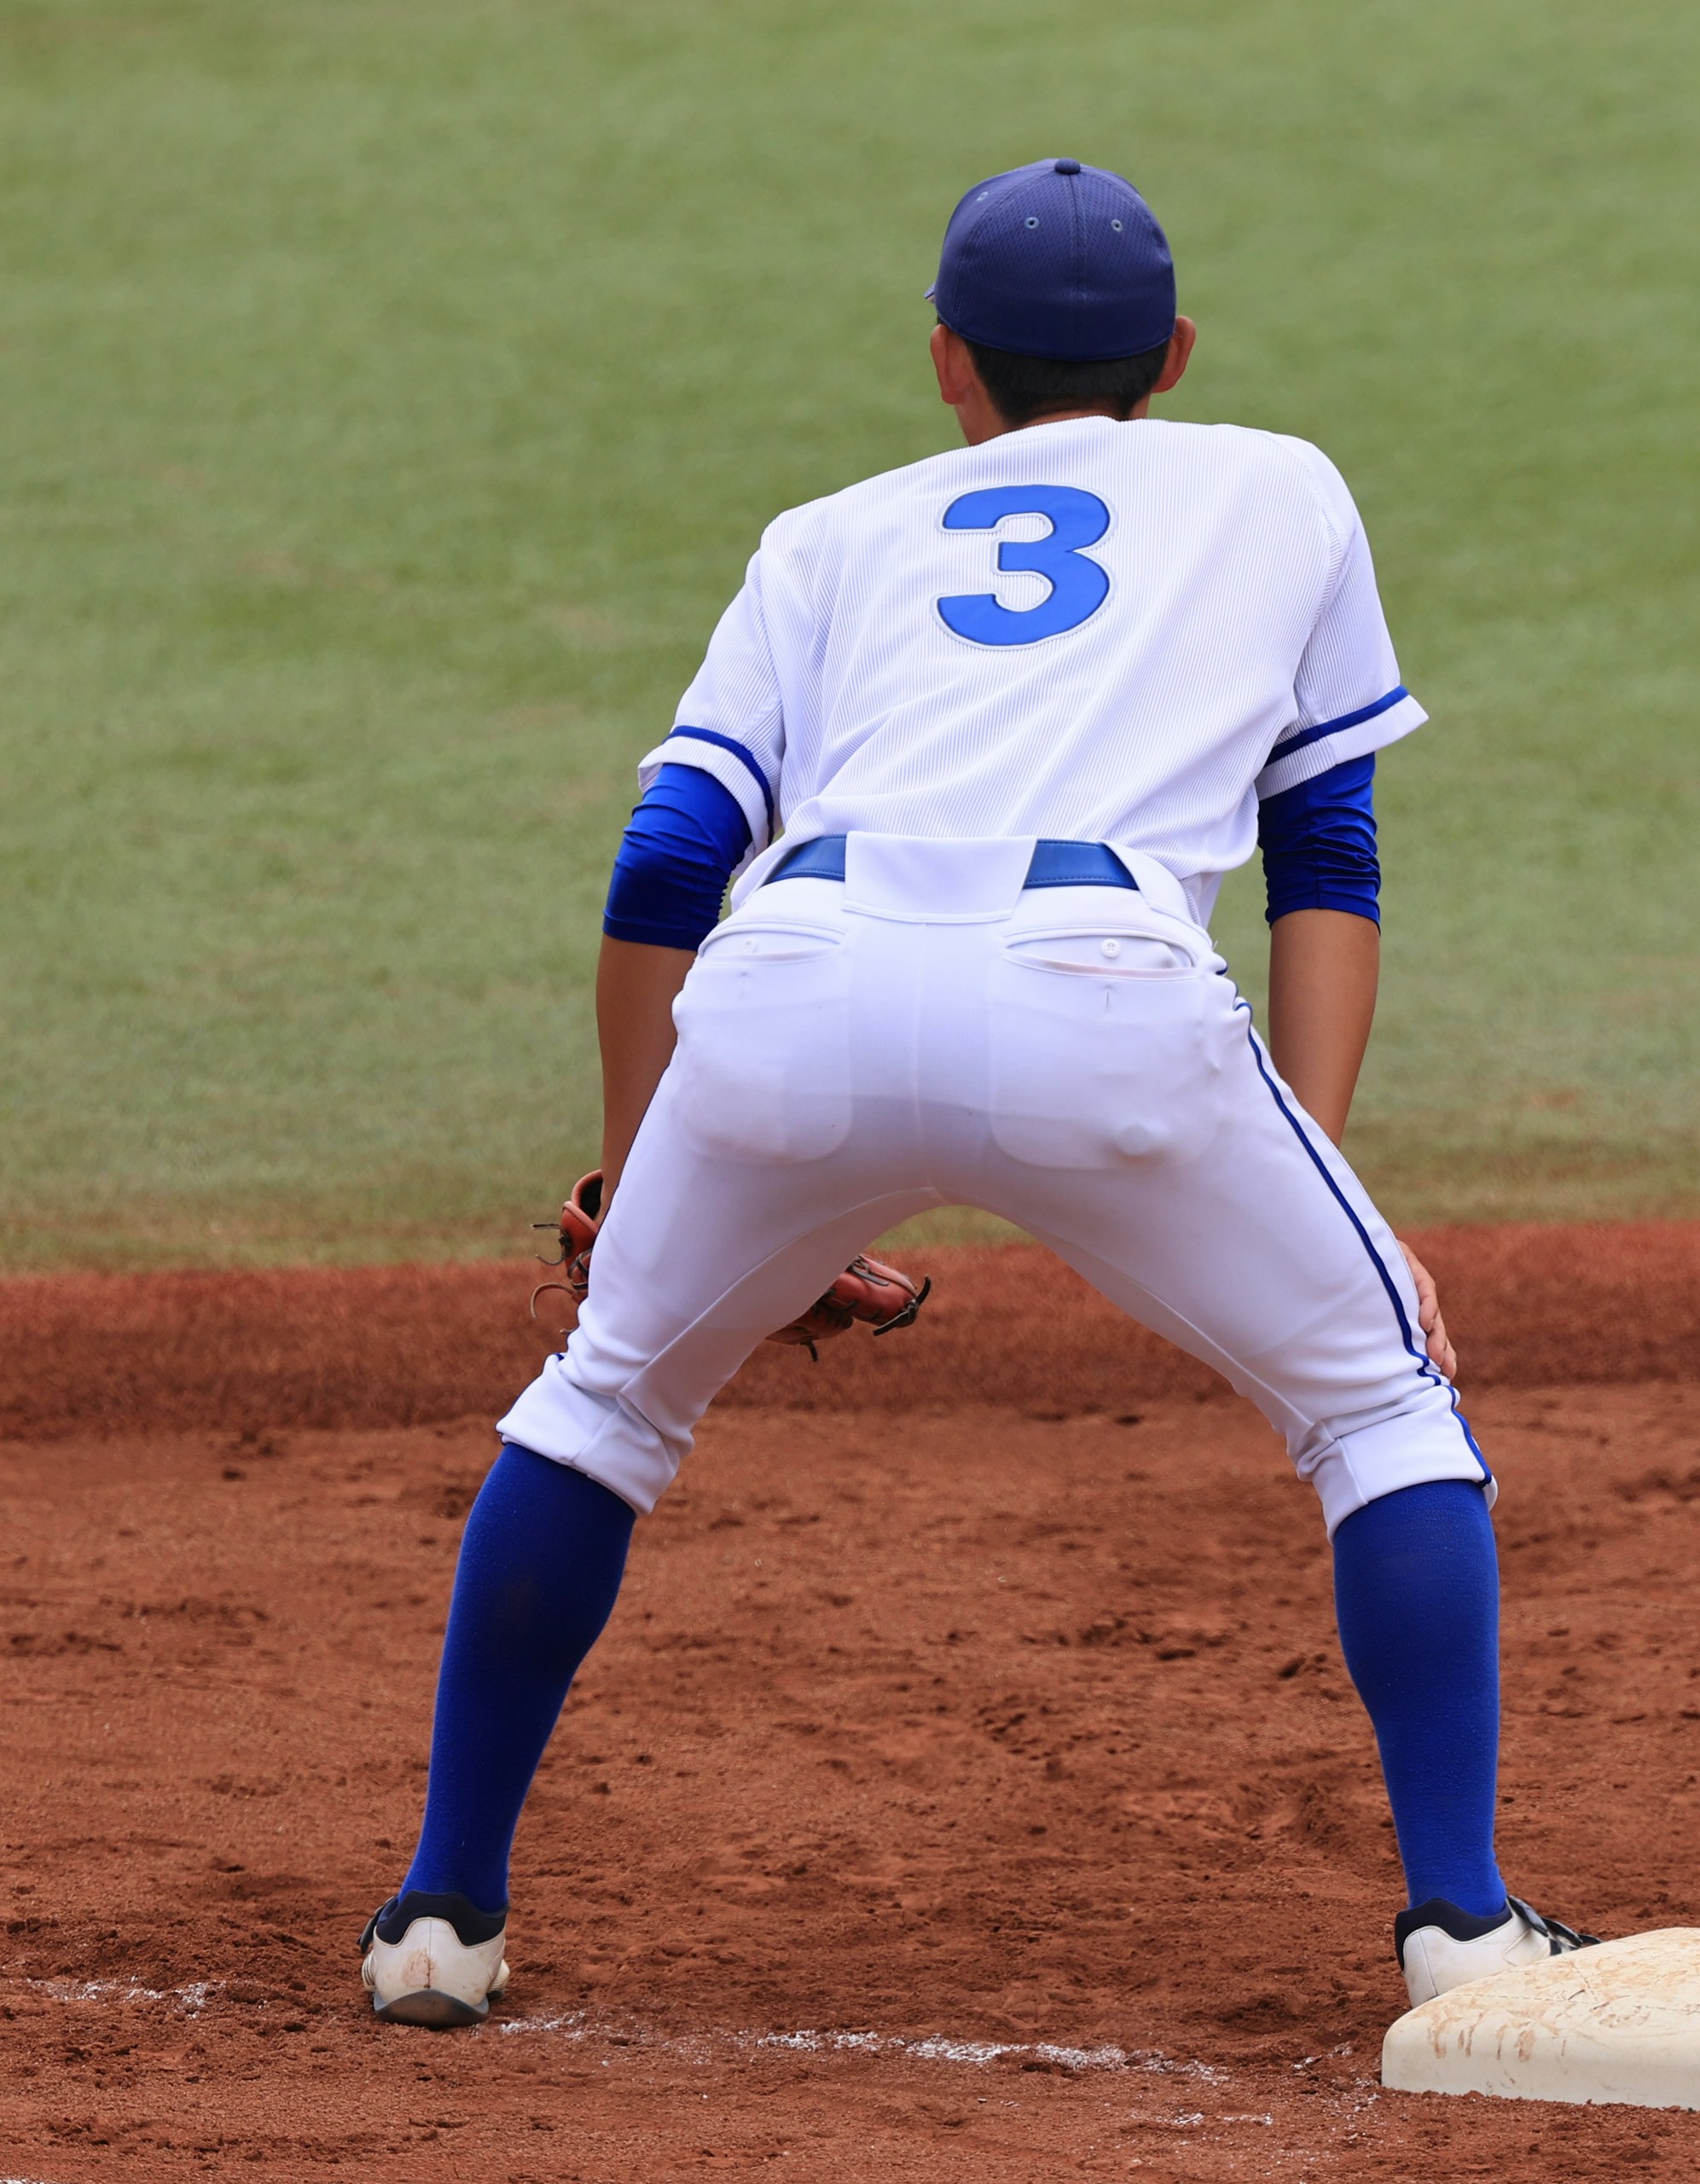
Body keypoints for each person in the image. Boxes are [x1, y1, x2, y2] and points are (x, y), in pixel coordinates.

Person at [357, 158, 1593, 2029]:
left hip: (795, 987)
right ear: (1175, 354)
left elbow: (662, 864)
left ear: (948, 360)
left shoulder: (825, 535)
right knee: (1376, 1403)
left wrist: (631, 1180)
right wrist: (1313, 1175)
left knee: (603, 1401)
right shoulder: (1282, 485)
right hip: (1103, 999)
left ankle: (441, 1915)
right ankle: (1463, 1922)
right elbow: (1322, 845)